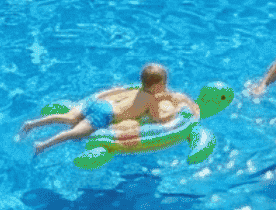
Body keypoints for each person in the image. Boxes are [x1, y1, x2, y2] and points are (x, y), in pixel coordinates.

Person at [19, 63, 192, 156]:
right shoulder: (151, 100)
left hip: (98, 103)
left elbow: (116, 90)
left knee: (68, 118)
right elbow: (158, 119)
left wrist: (97, 97)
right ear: (157, 87)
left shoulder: (136, 90)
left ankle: (32, 123)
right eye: (164, 85)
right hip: (105, 115)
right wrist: (176, 110)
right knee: (74, 133)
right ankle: (43, 145)